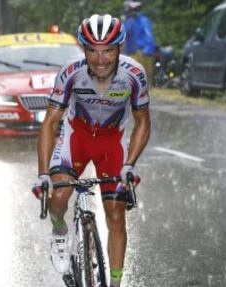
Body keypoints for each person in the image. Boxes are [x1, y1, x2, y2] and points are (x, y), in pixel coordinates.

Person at [32, 14, 151, 287]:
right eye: (93, 51)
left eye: (108, 50)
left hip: (113, 142)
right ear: (83, 49)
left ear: (120, 48)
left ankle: (116, 283)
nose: (100, 59)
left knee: (116, 215)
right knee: (59, 195)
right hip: (77, 136)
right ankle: (60, 232)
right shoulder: (70, 70)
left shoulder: (134, 75)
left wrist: (129, 164)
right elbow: (51, 121)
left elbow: (143, 122)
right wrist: (43, 173)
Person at [122, 0, 156, 84]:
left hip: (142, 52)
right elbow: (124, 33)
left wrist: (146, 51)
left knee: (141, 80)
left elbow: (149, 37)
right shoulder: (130, 21)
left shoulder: (143, 20)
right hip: (132, 52)